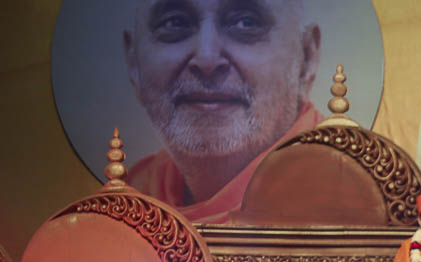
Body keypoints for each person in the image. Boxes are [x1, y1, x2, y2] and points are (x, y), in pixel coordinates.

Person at [122, 0, 323, 222]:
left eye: (246, 23)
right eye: (175, 23)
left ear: (306, 60)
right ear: (134, 64)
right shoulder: (125, 205)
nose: (206, 59)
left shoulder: (345, 193)